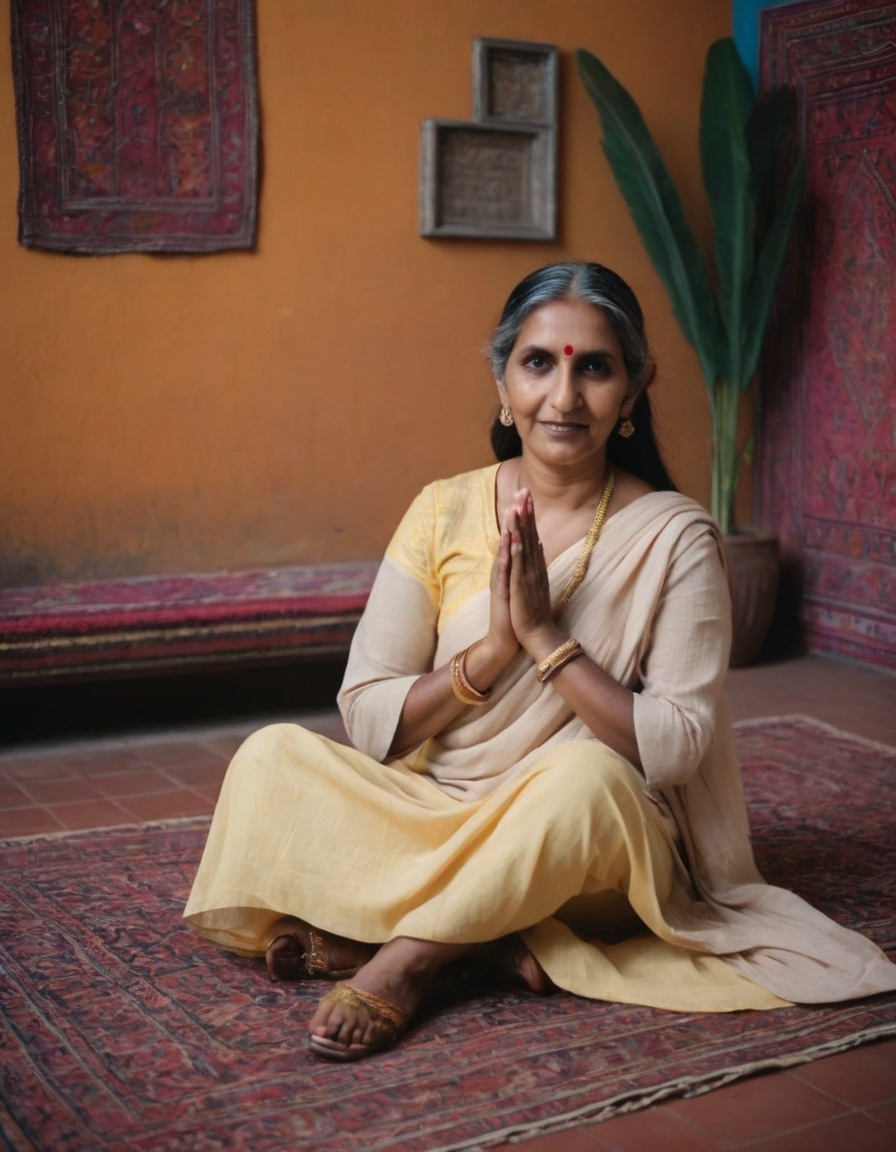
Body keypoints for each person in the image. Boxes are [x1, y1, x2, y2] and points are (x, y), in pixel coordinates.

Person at [184, 261, 896, 1063]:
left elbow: (672, 747)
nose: (564, 397)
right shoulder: (441, 508)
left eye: (594, 367)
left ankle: (411, 960)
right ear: (502, 380)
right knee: (271, 757)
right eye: (539, 363)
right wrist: (491, 650)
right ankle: (487, 940)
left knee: (584, 779)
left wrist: (548, 641)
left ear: (631, 390)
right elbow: (371, 719)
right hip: (439, 807)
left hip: (576, 839)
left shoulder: (675, 537)